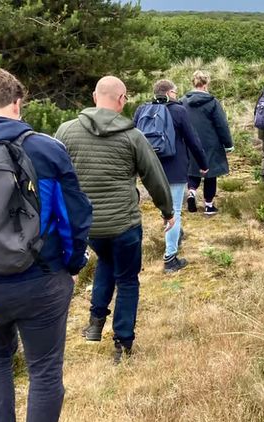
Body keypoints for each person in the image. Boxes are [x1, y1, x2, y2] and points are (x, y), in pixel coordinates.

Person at [0, 68, 92, 422]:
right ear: (16, 103)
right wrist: (73, 262)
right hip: (41, 280)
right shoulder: (45, 148)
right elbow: (76, 216)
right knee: (44, 370)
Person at [55, 76, 174, 364]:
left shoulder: (65, 132)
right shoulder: (133, 136)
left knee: (105, 263)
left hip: (89, 226)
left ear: (95, 96)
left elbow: (54, 177)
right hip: (124, 224)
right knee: (128, 280)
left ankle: (95, 321)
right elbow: (154, 177)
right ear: (122, 100)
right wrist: (167, 211)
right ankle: (123, 342)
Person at [134, 80, 208, 272]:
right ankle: (170, 258)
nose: (177, 95)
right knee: (174, 210)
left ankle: (175, 233)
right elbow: (192, 139)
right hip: (175, 169)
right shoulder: (178, 110)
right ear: (169, 93)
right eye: (175, 92)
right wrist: (203, 164)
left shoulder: (142, 110)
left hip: (150, 169)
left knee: (164, 206)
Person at [181, 70, 234, 216]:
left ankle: (191, 192)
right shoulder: (212, 102)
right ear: (206, 84)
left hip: (189, 142)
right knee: (210, 173)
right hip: (211, 142)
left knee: (193, 169)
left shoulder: (183, 101)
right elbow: (221, 125)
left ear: (193, 83)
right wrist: (228, 144)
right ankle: (209, 206)